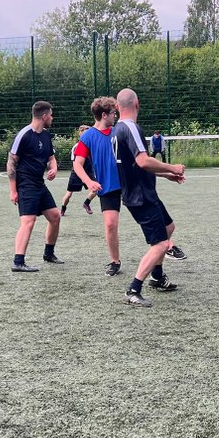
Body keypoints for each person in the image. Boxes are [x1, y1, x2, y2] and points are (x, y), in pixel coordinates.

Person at [111, 89, 186, 307]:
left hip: (140, 192)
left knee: (168, 227)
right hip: (141, 196)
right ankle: (133, 290)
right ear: (138, 104)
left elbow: (136, 166)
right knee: (161, 244)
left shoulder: (117, 130)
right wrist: (172, 167)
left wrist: (165, 174)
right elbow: (143, 161)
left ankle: (157, 276)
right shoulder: (130, 127)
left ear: (117, 107)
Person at [8, 100, 63, 272]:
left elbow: (51, 158)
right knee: (28, 221)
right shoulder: (24, 135)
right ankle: (18, 262)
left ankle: (48, 254)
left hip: (39, 184)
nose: (52, 118)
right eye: (51, 115)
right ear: (44, 116)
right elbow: (11, 163)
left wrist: (53, 168)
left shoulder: (46, 135)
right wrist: (13, 190)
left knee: (55, 216)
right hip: (26, 184)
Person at [72, 96, 124, 275]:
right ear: (104, 115)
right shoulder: (87, 136)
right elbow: (77, 164)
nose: (115, 116)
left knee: (147, 217)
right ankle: (115, 261)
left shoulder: (119, 132)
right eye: (113, 113)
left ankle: (164, 249)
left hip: (128, 183)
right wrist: (89, 182)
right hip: (108, 186)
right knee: (110, 224)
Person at [60, 124, 96, 217]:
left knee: (96, 189)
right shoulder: (77, 146)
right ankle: (63, 209)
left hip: (88, 171)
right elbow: (75, 163)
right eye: (86, 133)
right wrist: (81, 174)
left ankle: (86, 203)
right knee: (68, 194)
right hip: (76, 173)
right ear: (81, 134)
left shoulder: (92, 145)